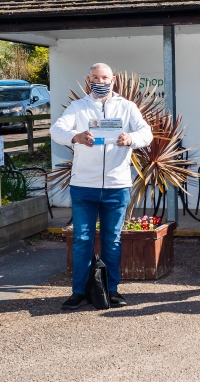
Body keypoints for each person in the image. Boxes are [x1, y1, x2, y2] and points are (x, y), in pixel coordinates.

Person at [51, 63, 153, 310]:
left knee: (113, 240)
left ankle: (112, 289)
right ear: (88, 80)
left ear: (113, 80)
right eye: (95, 77)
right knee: (82, 239)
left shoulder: (127, 107)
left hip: (117, 185)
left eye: (104, 77)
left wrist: (131, 139)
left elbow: (146, 133)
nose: (100, 81)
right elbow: (56, 129)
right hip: (84, 185)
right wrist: (75, 137)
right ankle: (79, 291)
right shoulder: (78, 107)